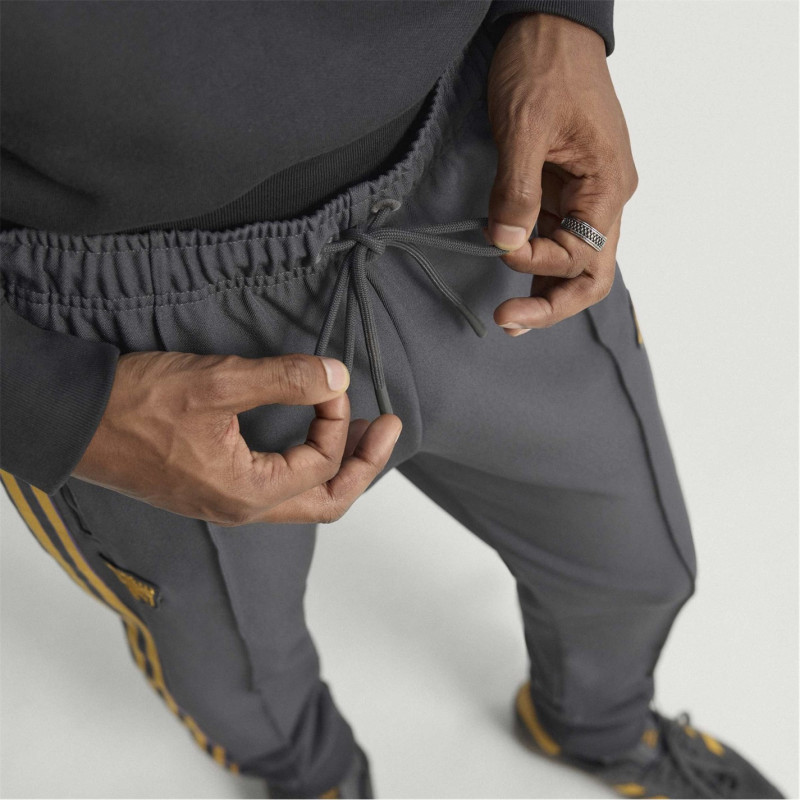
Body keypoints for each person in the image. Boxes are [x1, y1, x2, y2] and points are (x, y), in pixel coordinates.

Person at [0, 2, 786, 798]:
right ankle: (312, 777)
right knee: (234, 668)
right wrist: (51, 405)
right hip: (121, 328)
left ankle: (601, 727)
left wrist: (559, 15)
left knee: (637, 564)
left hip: (465, 190)